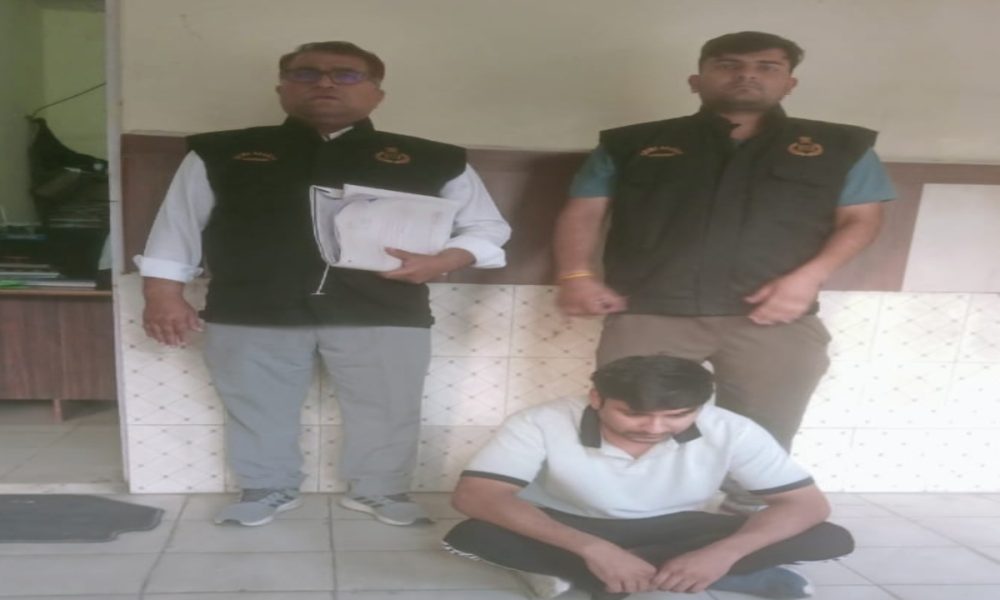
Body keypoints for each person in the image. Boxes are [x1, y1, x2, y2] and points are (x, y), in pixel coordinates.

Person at [135, 41, 510, 527]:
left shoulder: (432, 158)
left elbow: (488, 228)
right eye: (306, 73)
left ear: (377, 93)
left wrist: (444, 260)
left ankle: (381, 489)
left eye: (346, 75)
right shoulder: (221, 151)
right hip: (251, 306)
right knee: (256, 405)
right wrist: (161, 293)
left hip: (384, 308)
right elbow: (178, 225)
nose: (326, 83)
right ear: (282, 88)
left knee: (387, 407)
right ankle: (266, 486)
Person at [553, 31, 895, 511]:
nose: (746, 75)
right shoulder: (633, 143)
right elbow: (585, 210)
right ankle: (627, 510)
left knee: (766, 429)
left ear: (790, 83)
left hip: (775, 315)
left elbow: (861, 220)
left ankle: (747, 513)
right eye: (728, 64)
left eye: (766, 67)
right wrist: (575, 275)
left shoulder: (840, 146)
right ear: (697, 79)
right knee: (635, 417)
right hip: (653, 309)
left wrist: (809, 277)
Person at [443, 355, 853, 600]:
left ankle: (589, 575)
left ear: (699, 407)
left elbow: (806, 504)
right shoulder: (541, 421)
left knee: (829, 537)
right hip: (571, 524)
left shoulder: (732, 428)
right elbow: (477, 495)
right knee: (473, 532)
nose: (655, 428)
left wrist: (722, 553)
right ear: (597, 399)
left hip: (673, 526)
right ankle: (713, 576)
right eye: (634, 414)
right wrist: (593, 548)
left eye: (676, 415)